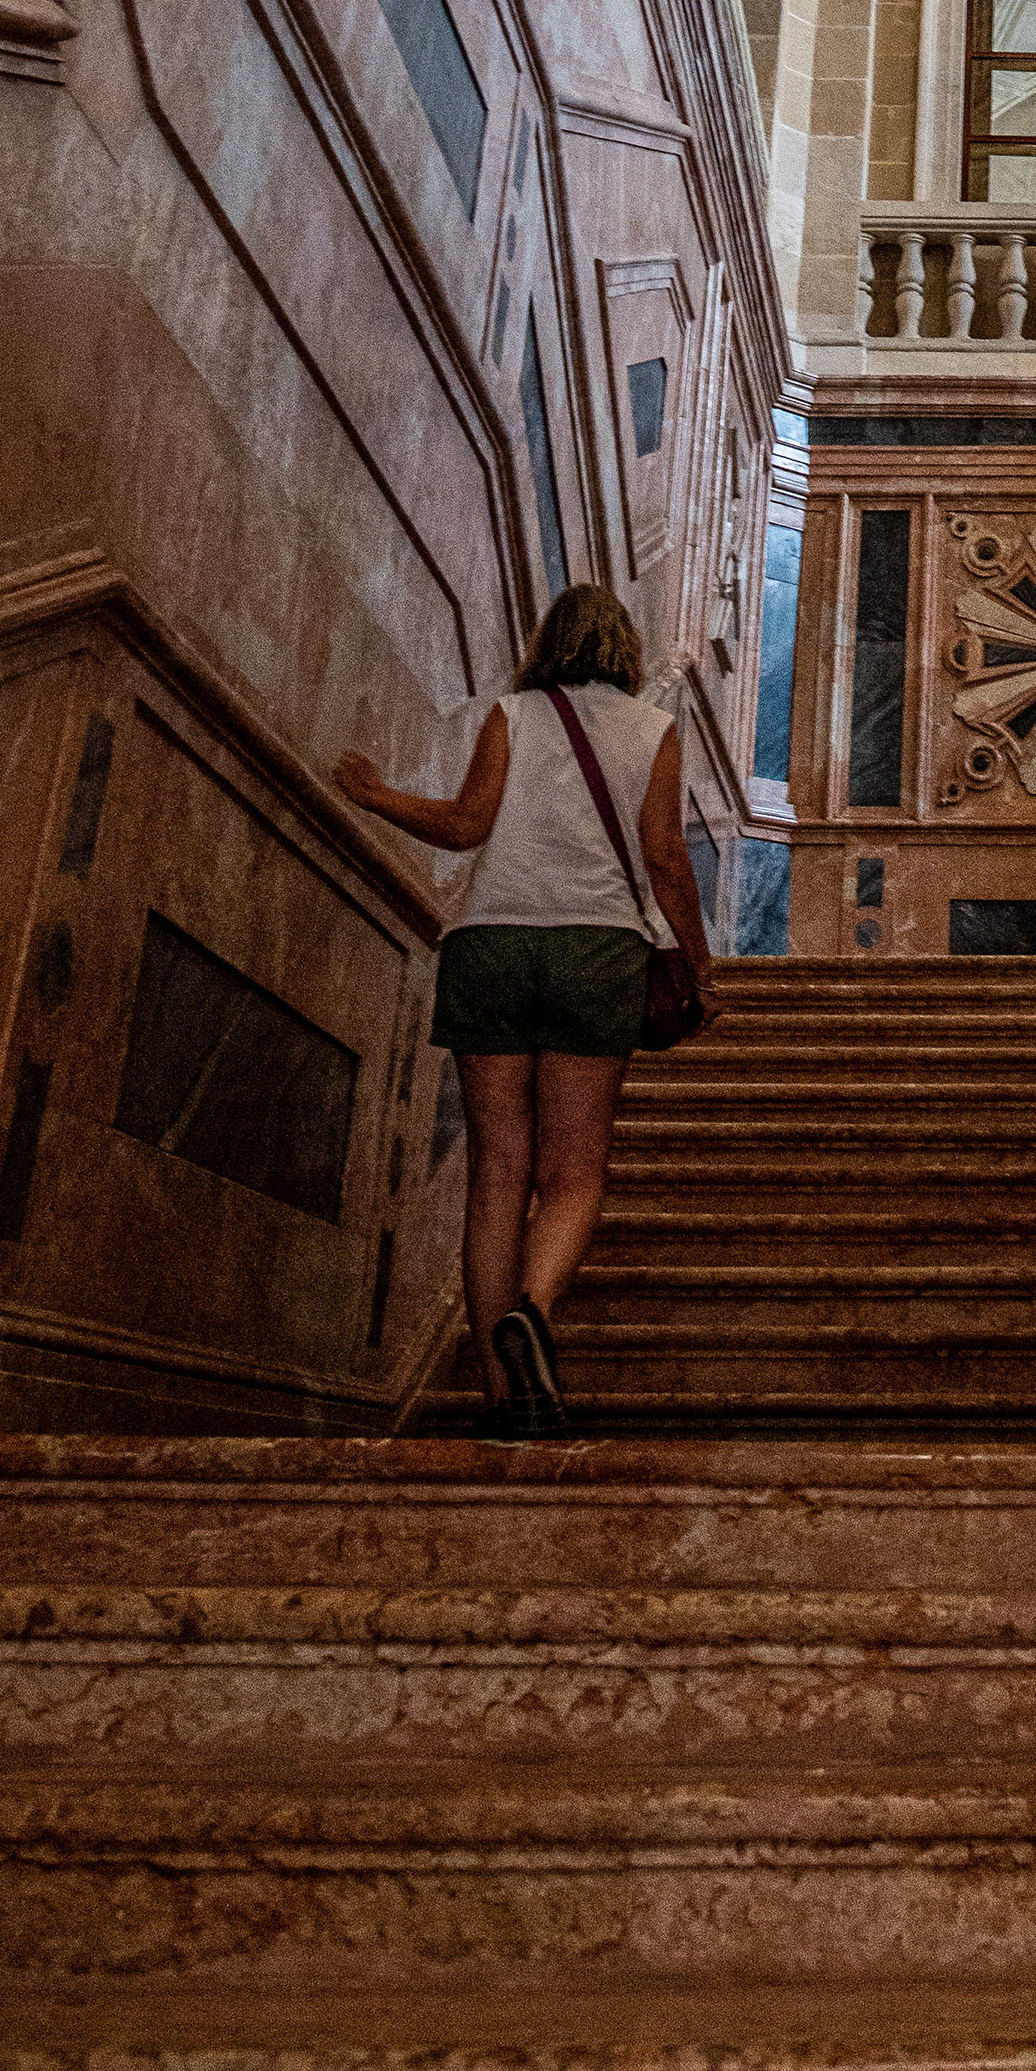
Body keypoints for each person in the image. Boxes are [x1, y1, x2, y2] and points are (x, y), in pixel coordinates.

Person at [336, 583, 713, 1435]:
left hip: (492, 947)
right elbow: (665, 858)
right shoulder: (653, 729)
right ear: (623, 648)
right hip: (594, 951)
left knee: (497, 1173)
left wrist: (378, 795)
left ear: (549, 643)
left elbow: (468, 826)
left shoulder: (513, 713)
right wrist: (701, 966)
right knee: (574, 1173)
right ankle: (530, 1318)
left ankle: (500, 1399)